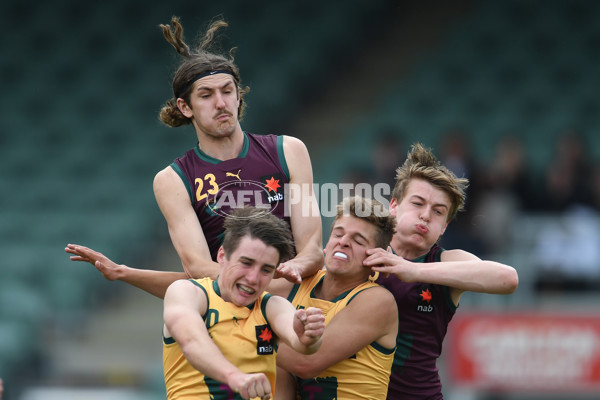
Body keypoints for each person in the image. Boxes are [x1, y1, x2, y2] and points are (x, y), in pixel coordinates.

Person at [72, 16, 323, 298]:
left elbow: (311, 249)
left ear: (238, 96)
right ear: (185, 106)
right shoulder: (173, 180)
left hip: (297, 306)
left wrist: (291, 272)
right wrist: (263, 285)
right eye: (206, 95)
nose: (220, 102)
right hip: (232, 311)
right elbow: (197, 266)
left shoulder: (289, 150)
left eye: (227, 91)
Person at [67, 207, 325, 400]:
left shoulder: (272, 307)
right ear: (222, 255)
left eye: (266, 270)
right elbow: (191, 341)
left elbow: (301, 340)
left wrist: (309, 335)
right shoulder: (187, 293)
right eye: (246, 263)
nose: (254, 278)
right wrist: (235, 377)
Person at [362, 142, 519, 400]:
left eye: (437, 212)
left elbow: (507, 278)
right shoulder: (365, 250)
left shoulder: (446, 260)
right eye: (418, 203)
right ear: (393, 206)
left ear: (444, 227)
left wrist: (413, 271)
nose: (425, 216)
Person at [269, 196, 399, 400]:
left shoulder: (378, 300)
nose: (344, 242)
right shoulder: (296, 282)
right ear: (327, 244)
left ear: (376, 256)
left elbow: (306, 363)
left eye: (358, 240)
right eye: (338, 234)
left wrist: (246, 336)